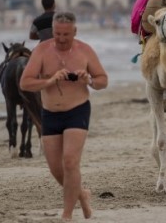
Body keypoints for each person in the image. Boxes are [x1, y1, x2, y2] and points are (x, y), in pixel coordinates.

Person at [20, 11, 108, 220]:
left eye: (66, 35)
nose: (60, 39)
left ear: (74, 31)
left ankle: (67, 215)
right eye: (57, 33)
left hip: (77, 111)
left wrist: (89, 80)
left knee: (70, 161)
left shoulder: (85, 51)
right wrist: (49, 81)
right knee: (56, 169)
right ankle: (82, 196)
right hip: (50, 114)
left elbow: (103, 80)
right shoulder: (41, 51)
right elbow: (25, 83)